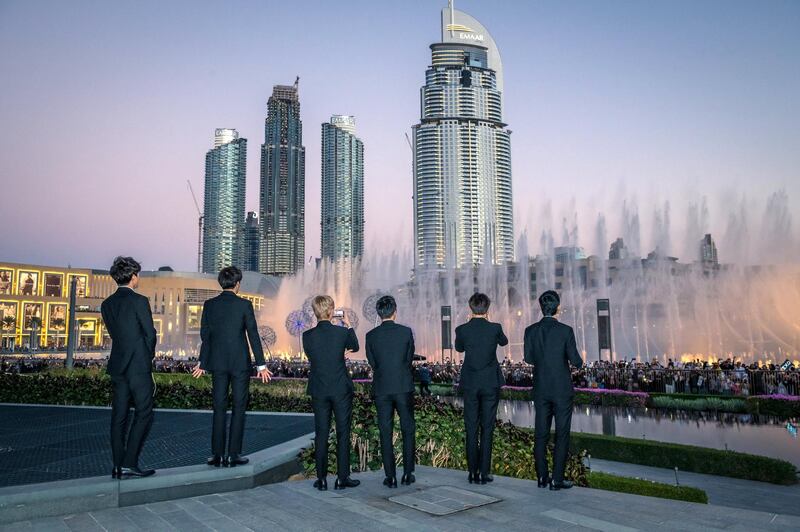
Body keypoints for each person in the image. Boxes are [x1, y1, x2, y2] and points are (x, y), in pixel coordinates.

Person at [192, 266, 272, 467]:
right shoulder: (244, 305)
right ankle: (233, 454)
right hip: (239, 363)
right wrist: (261, 365)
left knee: (219, 408)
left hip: (217, 363)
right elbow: (253, 334)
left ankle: (217, 455)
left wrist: (202, 361)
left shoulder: (210, 305)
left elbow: (206, 336)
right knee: (238, 407)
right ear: (237, 284)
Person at [101, 256, 157, 479]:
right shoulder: (139, 301)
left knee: (119, 417)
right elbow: (150, 333)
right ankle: (130, 462)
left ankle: (117, 465)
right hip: (138, 365)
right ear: (133, 276)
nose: (138, 278)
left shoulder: (107, 304)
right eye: (138, 275)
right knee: (144, 412)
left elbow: (116, 335)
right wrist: (148, 355)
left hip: (117, 365)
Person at [523, 290, 584, 490]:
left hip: (541, 388)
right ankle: (557, 479)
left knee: (540, 434)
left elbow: (529, 359)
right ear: (558, 308)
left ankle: (542, 477)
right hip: (562, 389)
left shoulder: (530, 330)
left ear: (541, 308)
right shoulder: (565, 331)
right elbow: (576, 361)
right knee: (562, 434)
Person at [302, 295, 360, 491]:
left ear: (315, 311)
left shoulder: (307, 336)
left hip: (319, 388)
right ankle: (342, 478)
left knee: (321, 434)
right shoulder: (341, 333)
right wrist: (348, 325)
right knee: (343, 433)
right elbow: (356, 346)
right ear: (330, 311)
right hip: (341, 389)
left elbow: (313, 357)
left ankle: (322, 478)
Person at [454, 293, 508, 485]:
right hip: (490, 383)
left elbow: (459, 349)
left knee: (471, 428)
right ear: (487, 308)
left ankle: (472, 472)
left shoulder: (462, 329)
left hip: (470, 382)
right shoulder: (495, 328)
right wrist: (489, 322)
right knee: (487, 428)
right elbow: (504, 342)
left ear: (470, 308)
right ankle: (484, 473)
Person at [365, 295, 416, 488]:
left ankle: (390, 476)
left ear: (379, 313)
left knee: (385, 431)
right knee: (408, 429)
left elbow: (373, 362)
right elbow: (409, 358)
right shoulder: (405, 332)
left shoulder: (371, 335)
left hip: (382, 388)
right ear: (395, 311)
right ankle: (408, 473)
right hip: (403, 386)